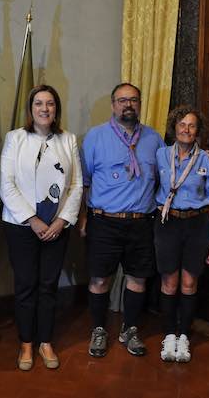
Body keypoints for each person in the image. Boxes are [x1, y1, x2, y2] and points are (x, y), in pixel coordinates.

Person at [0, 85, 83, 371]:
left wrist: (61, 221)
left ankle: (45, 341)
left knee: (48, 285)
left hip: (57, 226)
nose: (44, 109)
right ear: (31, 109)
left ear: (56, 108)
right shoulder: (16, 138)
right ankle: (26, 343)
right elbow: (6, 184)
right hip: (22, 226)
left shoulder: (68, 139)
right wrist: (32, 220)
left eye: (50, 104)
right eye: (38, 103)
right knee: (25, 285)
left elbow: (76, 185)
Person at [78, 83, 166, 358]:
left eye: (134, 100)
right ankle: (99, 330)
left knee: (138, 278)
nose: (128, 105)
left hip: (142, 221)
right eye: (122, 100)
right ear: (113, 105)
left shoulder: (154, 139)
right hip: (104, 221)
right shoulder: (95, 137)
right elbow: (84, 181)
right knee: (100, 279)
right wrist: (83, 219)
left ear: (139, 104)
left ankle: (130, 329)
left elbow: (169, 175)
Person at [154, 106, 209, 363]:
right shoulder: (160, 155)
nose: (186, 129)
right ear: (174, 127)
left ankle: (183, 336)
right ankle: (169, 334)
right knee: (169, 282)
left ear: (197, 131)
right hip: (168, 223)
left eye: (192, 125)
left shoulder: (207, 160)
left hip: (196, 224)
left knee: (190, 283)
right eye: (182, 124)